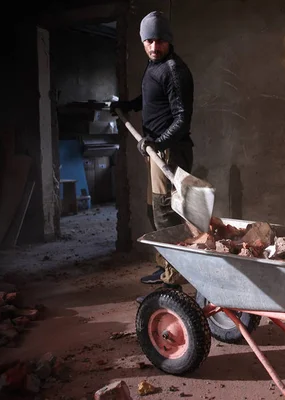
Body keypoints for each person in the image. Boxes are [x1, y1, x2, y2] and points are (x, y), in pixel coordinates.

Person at [111, 11, 194, 299]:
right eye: (149, 40)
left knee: (166, 214)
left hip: (170, 152)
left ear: (168, 41)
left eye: (159, 40)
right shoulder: (153, 66)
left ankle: (173, 279)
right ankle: (165, 266)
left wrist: (157, 142)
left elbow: (182, 119)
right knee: (154, 211)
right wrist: (127, 105)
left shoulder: (174, 71)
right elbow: (149, 99)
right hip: (155, 150)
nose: (154, 46)